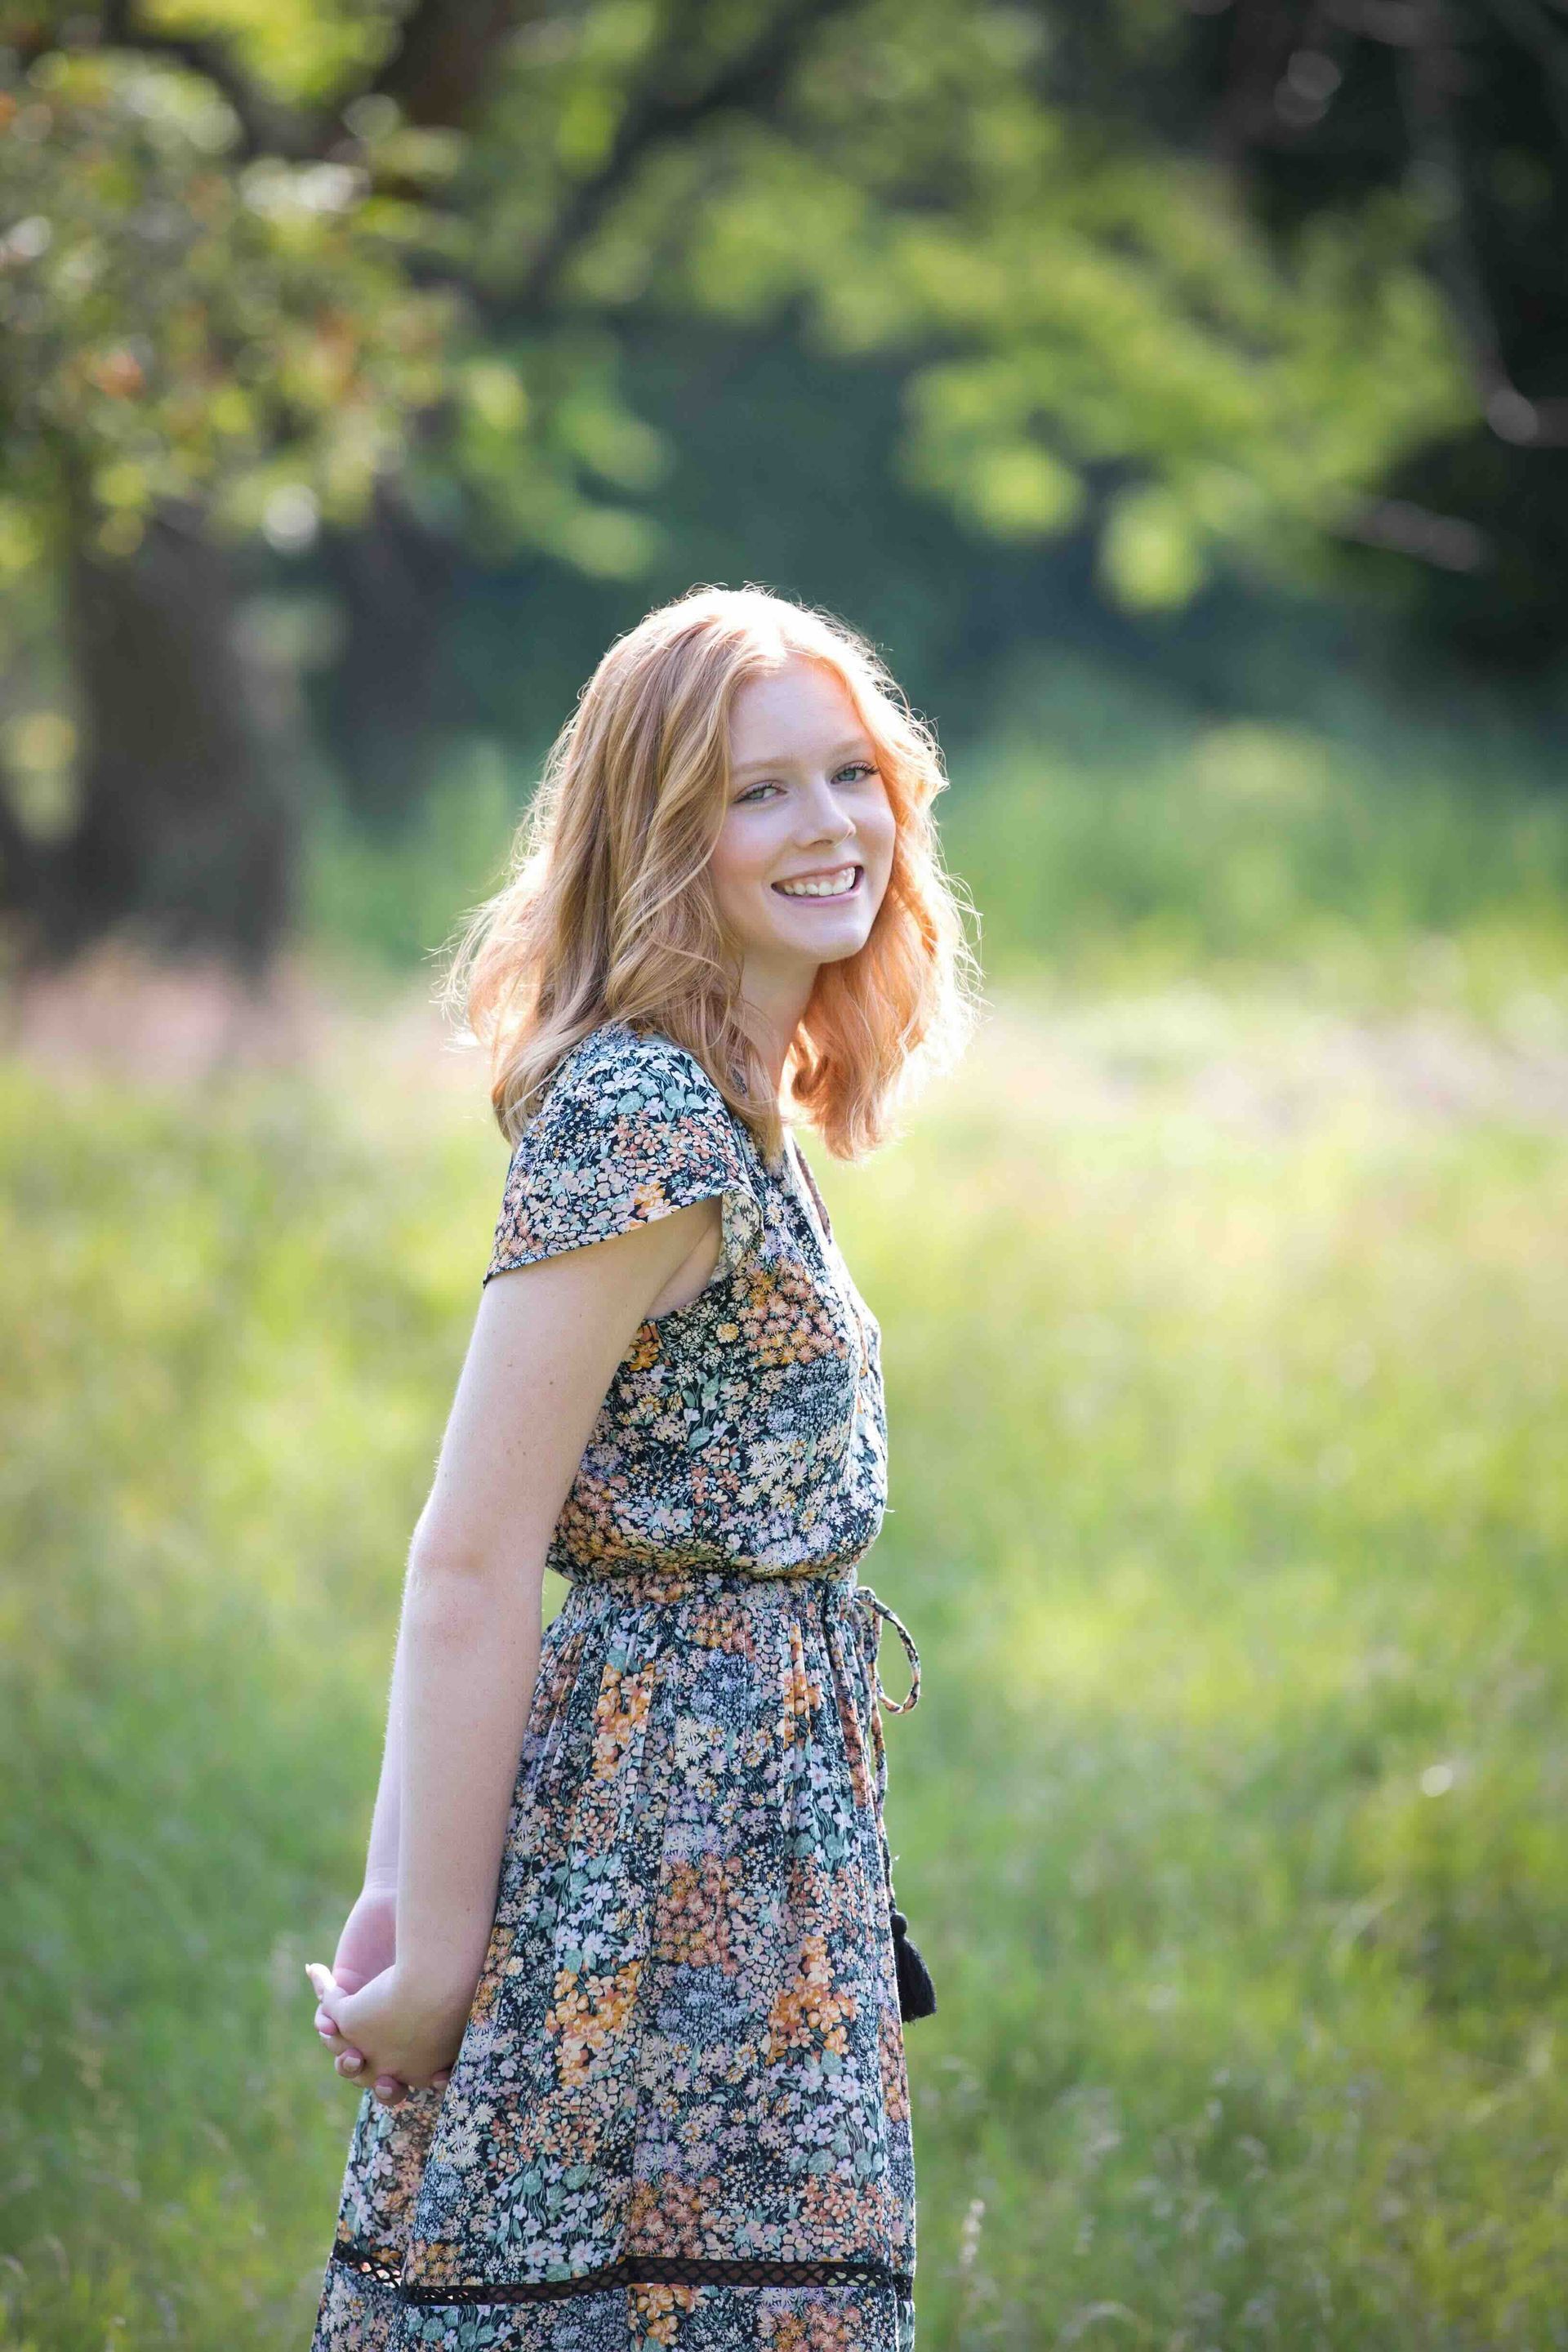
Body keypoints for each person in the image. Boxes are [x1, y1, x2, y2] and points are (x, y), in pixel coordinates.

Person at [303, 583, 982, 2350]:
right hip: (651, 1855)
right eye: (760, 791)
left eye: (849, 773)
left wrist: (396, 1888)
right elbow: (472, 1554)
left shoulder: (734, 1101)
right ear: (660, 833)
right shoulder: (642, 1119)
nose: (830, 825)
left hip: (752, 1852)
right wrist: (430, 1947)